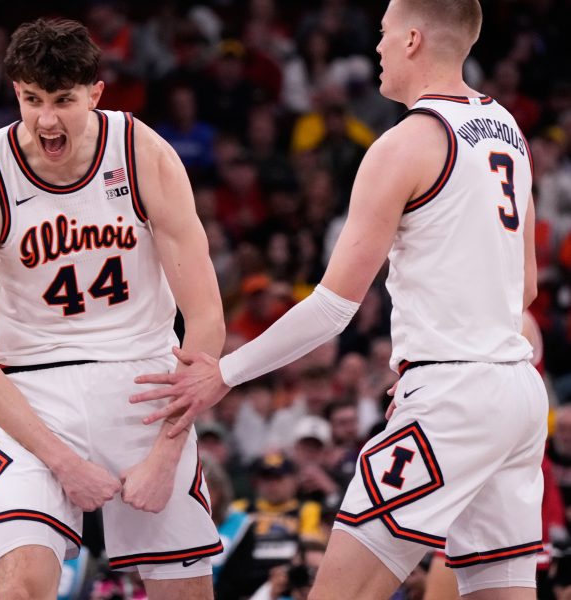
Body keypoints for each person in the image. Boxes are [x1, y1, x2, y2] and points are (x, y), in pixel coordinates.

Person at [132, 0, 547, 598]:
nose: (376, 47)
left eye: (383, 33)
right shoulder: (509, 130)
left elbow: (333, 306)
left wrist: (224, 373)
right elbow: (525, 288)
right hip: (518, 394)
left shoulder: (406, 143)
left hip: (455, 396)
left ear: (411, 39)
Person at [0, 18, 225, 600]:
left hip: (145, 388)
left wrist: (167, 452)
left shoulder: (143, 153)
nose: (47, 120)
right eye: (32, 100)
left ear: (96, 93)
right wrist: (62, 461)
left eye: (63, 101)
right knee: (20, 589)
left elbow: (204, 321)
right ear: (15, 92)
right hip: (33, 397)